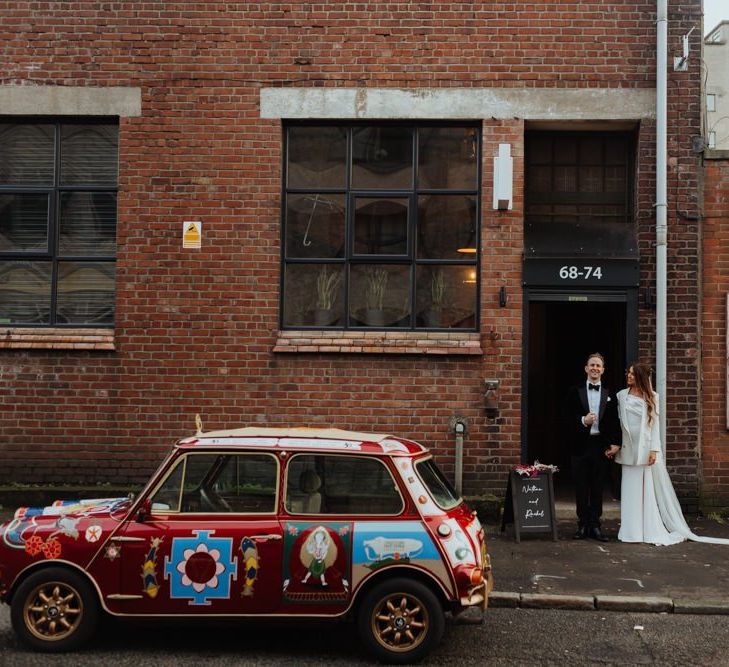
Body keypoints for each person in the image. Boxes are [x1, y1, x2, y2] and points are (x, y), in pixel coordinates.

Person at [611, 362, 729, 545]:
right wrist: (615, 444)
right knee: (629, 490)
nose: (629, 376)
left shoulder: (653, 397)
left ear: (641, 377)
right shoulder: (620, 396)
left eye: (633, 374)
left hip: (644, 450)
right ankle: (630, 530)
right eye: (628, 373)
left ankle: (646, 529)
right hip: (628, 449)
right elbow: (616, 424)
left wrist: (654, 450)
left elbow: (654, 426)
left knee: (646, 491)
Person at [565, 352, 621, 541]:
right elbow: (565, 419)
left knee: (598, 487)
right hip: (580, 445)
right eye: (592, 365)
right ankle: (582, 525)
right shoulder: (575, 391)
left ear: (603, 370)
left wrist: (616, 443)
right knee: (581, 487)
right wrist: (583, 420)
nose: (595, 368)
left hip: (600, 446)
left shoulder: (609, 394)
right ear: (586, 368)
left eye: (598, 365)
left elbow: (615, 421)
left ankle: (595, 525)